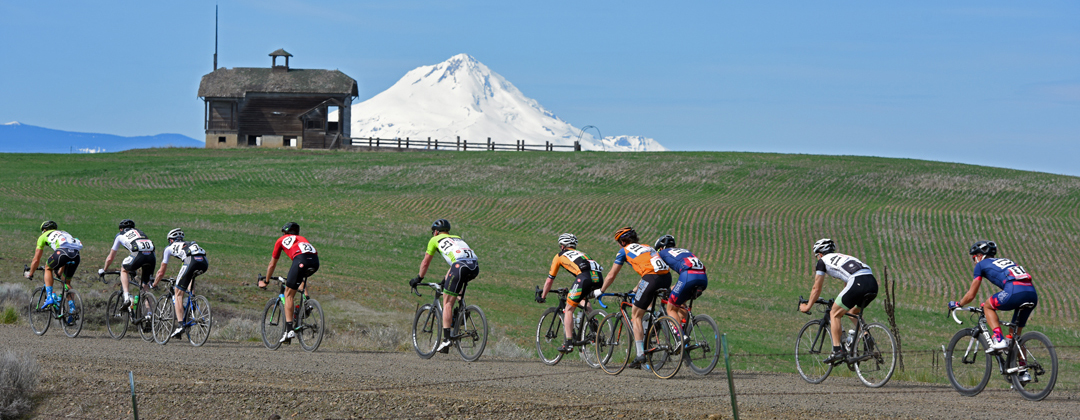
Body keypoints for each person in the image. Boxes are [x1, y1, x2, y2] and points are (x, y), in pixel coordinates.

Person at [594, 227, 672, 369]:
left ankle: (640, 354)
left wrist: (601, 290)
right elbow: (651, 270)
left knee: (635, 315)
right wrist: (635, 289)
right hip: (666, 277)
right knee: (646, 305)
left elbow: (611, 275)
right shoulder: (647, 247)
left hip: (651, 278)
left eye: (619, 242)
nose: (619, 245)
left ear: (623, 241)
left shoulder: (624, 251)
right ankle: (654, 321)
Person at [798, 238, 878, 364]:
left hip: (857, 282)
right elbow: (847, 283)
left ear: (819, 254)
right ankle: (867, 337)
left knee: (834, 313)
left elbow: (816, 288)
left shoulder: (822, 261)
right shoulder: (845, 257)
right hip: (872, 283)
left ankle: (837, 351)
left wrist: (807, 307)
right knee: (853, 311)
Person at [949, 241, 1038, 354]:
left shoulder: (980, 265)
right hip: (1032, 293)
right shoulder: (1007, 261)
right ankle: (1022, 369)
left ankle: (999, 339)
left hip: (1014, 291)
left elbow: (971, 295)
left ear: (980, 256)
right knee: (1015, 337)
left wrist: (958, 304)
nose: (974, 261)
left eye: (974, 258)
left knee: (988, 306)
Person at [410, 219, 479, 354]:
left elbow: (425, 262)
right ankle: (461, 313)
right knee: (455, 291)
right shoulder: (457, 238)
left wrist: (418, 278)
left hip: (459, 268)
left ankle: (446, 340)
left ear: (435, 232)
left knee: (447, 303)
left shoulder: (434, 240)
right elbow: (456, 262)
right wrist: (444, 280)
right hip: (474, 267)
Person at [537, 233, 604, 353]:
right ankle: (594, 325)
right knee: (583, 300)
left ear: (562, 246)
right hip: (599, 278)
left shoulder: (559, 256)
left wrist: (543, 296)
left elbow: (549, 280)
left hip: (584, 278)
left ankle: (568, 344)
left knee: (568, 309)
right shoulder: (583, 254)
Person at [264, 222, 319, 345]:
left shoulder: (281, 240)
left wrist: (266, 281)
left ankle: (289, 331)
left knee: (288, 295)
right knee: (299, 279)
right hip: (315, 262)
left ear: (285, 233)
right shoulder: (302, 239)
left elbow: (272, 264)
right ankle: (307, 301)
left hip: (300, 260)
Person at [153, 228, 209, 338]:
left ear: (170, 240)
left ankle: (180, 325)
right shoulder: (187, 244)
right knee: (190, 281)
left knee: (178, 293)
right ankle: (193, 303)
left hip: (190, 260)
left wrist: (154, 283)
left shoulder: (169, 248)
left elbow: (161, 272)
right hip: (204, 261)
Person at [99, 219, 156, 317]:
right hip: (152, 257)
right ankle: (149, 315)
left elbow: (110, 257)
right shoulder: (140, 232)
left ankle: (126, 297)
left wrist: (104, 269)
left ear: (121, 229)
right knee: (145, 287)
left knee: (124, 270)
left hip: (138, 255)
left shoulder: (120, 235)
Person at [26, 221, 83, 316]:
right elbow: (67, 255)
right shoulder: (64, 233)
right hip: (76, 255)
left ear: (44, 230)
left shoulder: (43, 236)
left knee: (48, 268)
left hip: (62, 253)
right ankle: (72, 311)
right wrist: (60, 273)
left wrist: (30, 273)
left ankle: (49, 297)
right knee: (66, 282)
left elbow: (36, 260)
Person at [653, 235, 708, 334]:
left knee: (671, 308)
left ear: (660, 248)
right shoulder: (685, 251)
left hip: (688, 276)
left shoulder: (661, 253)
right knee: (680, 300)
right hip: (703, 278)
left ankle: (681, 337)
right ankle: (683, 328)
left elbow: (656, 273)